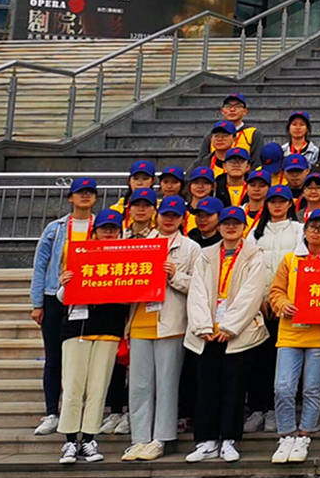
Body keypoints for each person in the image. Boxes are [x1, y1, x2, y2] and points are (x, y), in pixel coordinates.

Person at [185, 205, 271, 463]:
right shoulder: (206, 255)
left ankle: (230, 439)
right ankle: (207, 440)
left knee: (234, 387)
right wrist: (203, 326)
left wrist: (230, 326)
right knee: (207, 386)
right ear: (219, 226)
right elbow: (197, 291)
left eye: (236, 223)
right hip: (208, 332)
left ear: (244, 227)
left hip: (238, 333)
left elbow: (251, 294)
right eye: (226, 223)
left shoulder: (254, 255)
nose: (230, 227)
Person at [120, 194, 197, 461]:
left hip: (171, 323)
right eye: (165, 215)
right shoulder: (140, 243)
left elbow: (198, 286)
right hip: (140, 320)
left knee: (166, 384)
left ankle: (161, 438)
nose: (169, 220)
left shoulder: (190, 248)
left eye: (175, 216)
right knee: (139, 385)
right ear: (157, 215)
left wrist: (174, 275)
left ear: (182, 219)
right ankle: (139, 438)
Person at [55, 208, 131, 463]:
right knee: (73, 385)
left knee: (98, 388)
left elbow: (132, 295)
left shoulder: (126, 257)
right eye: (104, 228)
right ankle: (69, 440)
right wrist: (65, 283)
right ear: (95, 231)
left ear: (119, 231)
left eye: (113, 229)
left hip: (109, 330)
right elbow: (63, 298)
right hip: (76, 329)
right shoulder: (80, 254)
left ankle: (88, 439)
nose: (108, 232)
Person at [266, 206, 320, 463]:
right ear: (305, 231)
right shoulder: (291, 259)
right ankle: (286, 434)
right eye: (312, 227)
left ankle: (304, 435)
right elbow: (276, 291)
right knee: (283, 387)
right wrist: (282, 304)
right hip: (290, 332)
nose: (315, 232)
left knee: (312, 387)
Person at [29, 176, 100, 439]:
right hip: (55, 296)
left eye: (90, 192)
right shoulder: (55, 229)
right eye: (80, 192)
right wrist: (37, 303)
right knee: (54, 357)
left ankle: (81, 410)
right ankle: (51, 412)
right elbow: (40, 265)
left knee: (84, 358)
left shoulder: (101, 226)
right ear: (70, 197)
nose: (85, 196)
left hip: (89, 299)